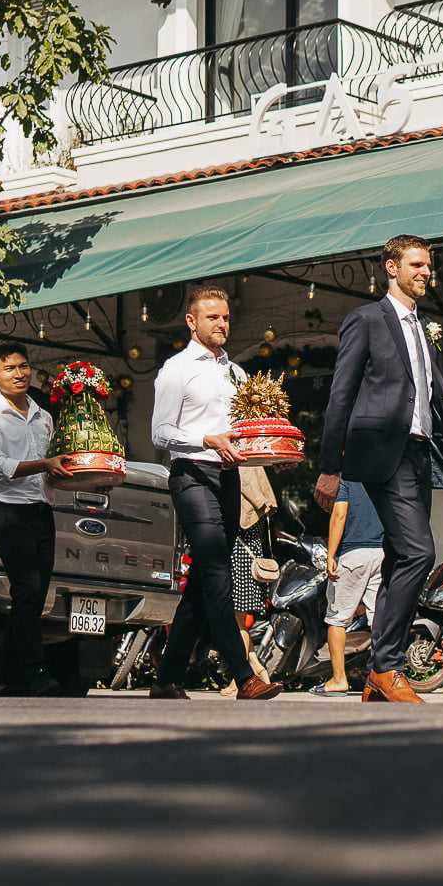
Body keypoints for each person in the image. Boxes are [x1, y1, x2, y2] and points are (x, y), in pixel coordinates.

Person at [315, 236, 443, 703]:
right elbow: (341, 396)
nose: (426, 273)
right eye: (416, 264)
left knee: (401, 557)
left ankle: (380, 674)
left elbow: (429, 402)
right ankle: (387, 667)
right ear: (390, 268)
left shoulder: (421, 329)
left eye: (429, 266)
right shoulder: (367, 320)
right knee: (419, 552)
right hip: (384, 455)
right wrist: (328, 468)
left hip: (421, 456)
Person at [149, 286, 281, 701]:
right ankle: (244, 677)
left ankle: (167, 679)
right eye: (212, 318)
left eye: (225, 317)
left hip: (229, 479)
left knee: (204, 582)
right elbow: (159, 432)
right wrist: (205, 439)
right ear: (192, 322)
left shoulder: (237, 373)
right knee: (218, 575)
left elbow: (246, 431)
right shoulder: (176, 368)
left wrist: (272, 446)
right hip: (190, 475)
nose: (221, 324)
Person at [0, 341, 75, 698]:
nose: (19, 374)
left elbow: (48, 468)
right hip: (8, 511)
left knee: (32, 597)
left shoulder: (43, 415)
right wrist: (44, 465)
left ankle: (5, 678)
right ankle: (37, 672)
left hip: (42, 510)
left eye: (23, 366)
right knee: (27, 590)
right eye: (9, 369)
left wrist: (62, 473)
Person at [319, 479, 383, 695]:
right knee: (379, 620)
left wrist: (330, 555)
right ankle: (379, 678)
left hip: (354, 553)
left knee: (337, 618)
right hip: (383, 554)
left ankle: (339, 680)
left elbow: (339, 516)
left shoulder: (349, 477)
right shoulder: (386, 474)